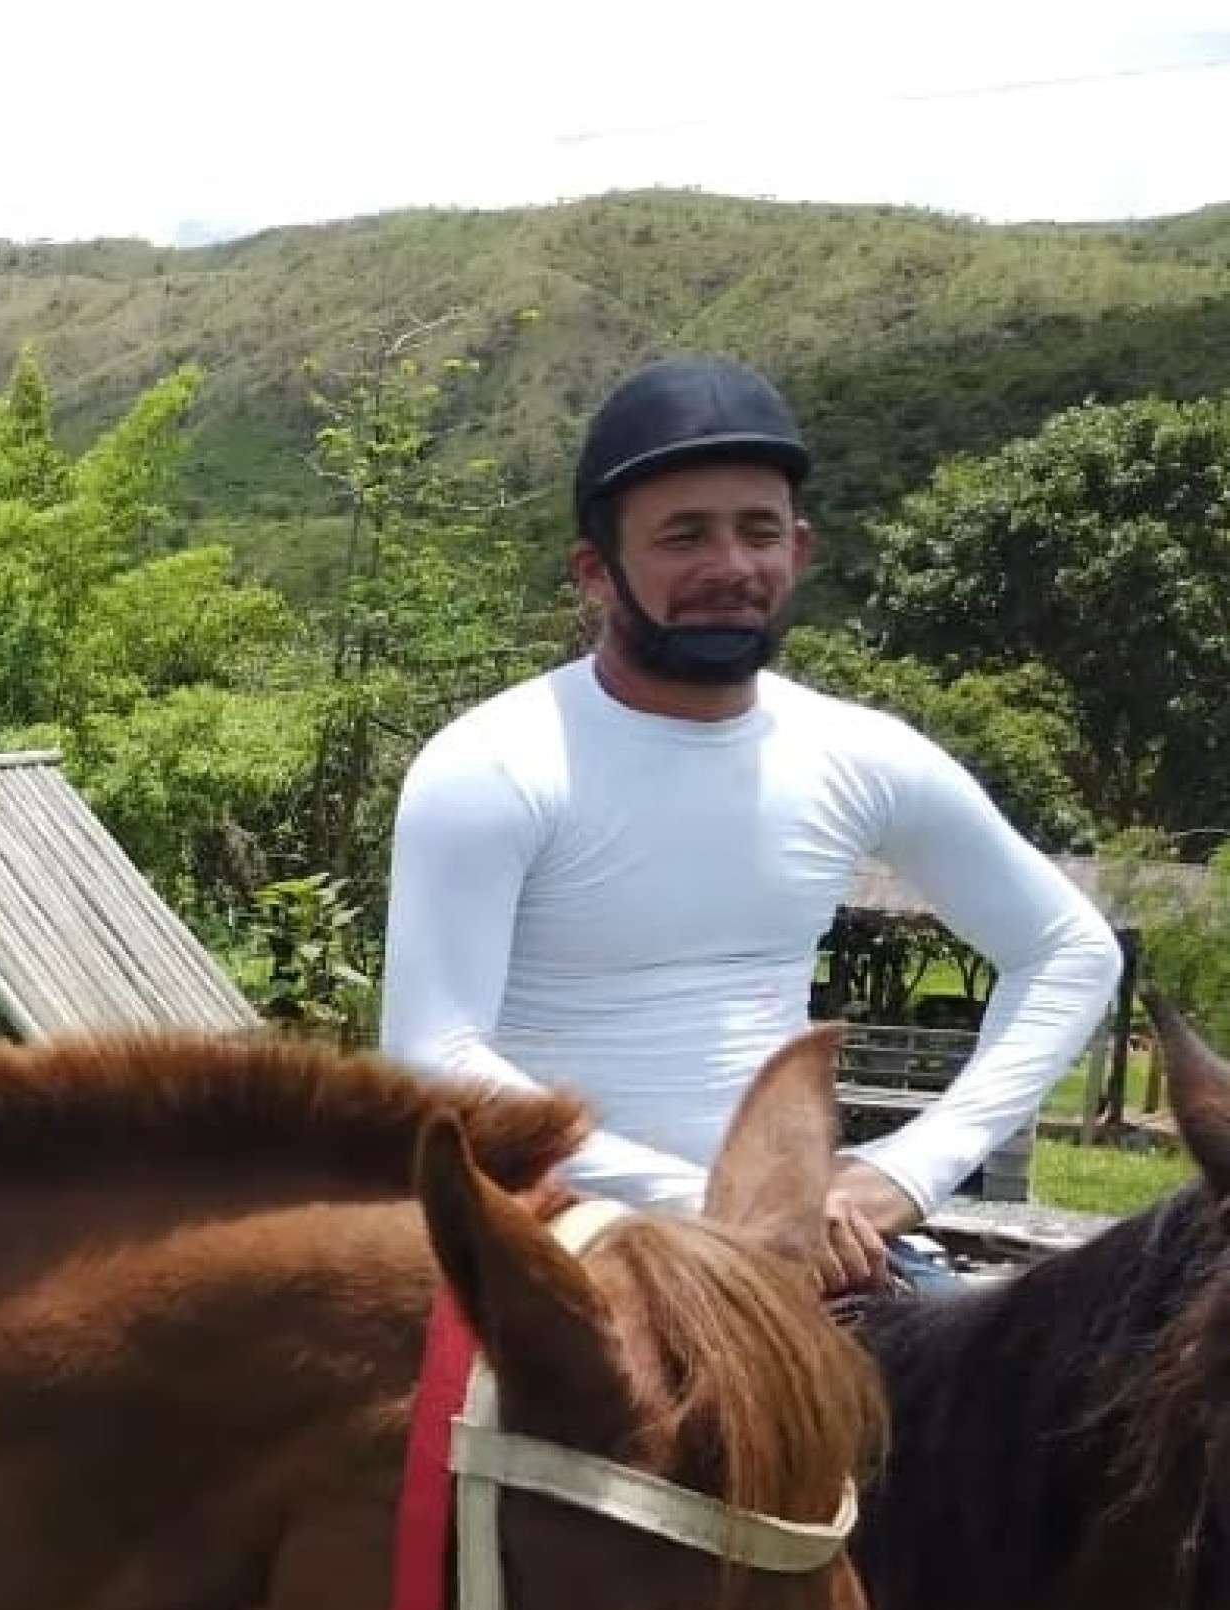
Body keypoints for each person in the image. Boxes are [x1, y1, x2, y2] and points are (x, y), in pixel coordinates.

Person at [378, 353, 1121, 1297]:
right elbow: (430, 1056)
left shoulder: (859, 755)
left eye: (757, 532)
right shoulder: (495, 763)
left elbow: (1068, 952)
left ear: (797, 551)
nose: (730, 567)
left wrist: (907, 1172)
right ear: (594, 572)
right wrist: (718, 1205)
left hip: (795, 1259)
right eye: (683, 535)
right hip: (548, 1246)